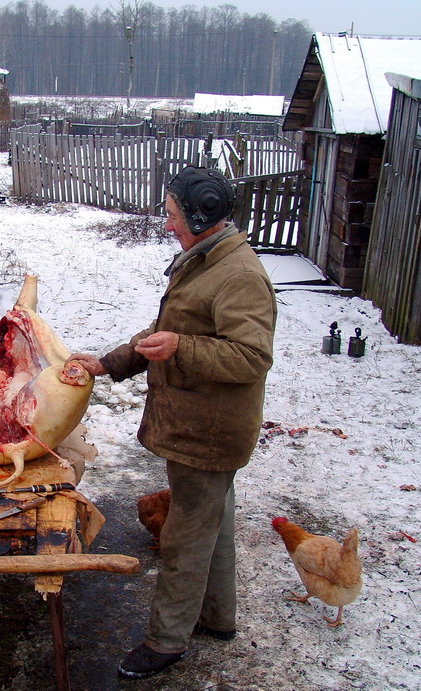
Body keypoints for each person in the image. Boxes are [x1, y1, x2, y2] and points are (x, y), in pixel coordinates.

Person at [67, 166, 277, 679]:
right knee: (213, 521)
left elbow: (251, 356)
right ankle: (217, 617)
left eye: (172, 215)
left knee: (185, 536)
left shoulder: (240, 275)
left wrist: (183, 347)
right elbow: (167, 330)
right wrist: (109, 362)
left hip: (208, 432)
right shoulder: (207, 260)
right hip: (199, 425)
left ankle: (166, 641)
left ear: (200, 216)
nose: (167, 225)